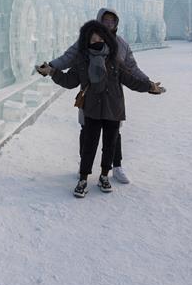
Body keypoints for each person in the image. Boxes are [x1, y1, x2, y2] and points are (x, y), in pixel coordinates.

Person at [47, 20, 163, 197]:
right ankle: (83, 179)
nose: (97, 42)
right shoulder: (82, 61)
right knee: (89, 145)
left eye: (100, 38)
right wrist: (52, 72)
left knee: (110, 145)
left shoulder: (114, 60)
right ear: (87, 41)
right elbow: (69, 81)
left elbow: (130, 79)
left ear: (107, 39)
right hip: (92, 109)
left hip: (114, 108)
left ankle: (104, 176)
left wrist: (149, 86)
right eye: (92, 39)